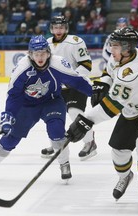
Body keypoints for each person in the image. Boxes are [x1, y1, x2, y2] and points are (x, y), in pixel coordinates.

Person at [66, 27, 138, 212]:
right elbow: (110, 72)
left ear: (127, 48)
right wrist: (103, 82)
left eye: (115, 46)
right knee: (118, 151)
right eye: (112, 45)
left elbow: (112, 106)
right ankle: (125, 176)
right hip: (134, 107)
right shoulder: (126, 55)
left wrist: (86, 119)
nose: (111, 49)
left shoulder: (132, 71)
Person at [0, 35, 93, 181]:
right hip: (27, 105)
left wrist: (97, 94)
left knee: (56, 132)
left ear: (48, 53)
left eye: (43, 53)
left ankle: (64, 163)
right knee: (10, 138)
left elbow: (77, 81)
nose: (40, 57)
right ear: (30, 54)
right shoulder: (22, 68)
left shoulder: (58, 63)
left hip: (52, 102)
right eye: (36, 54)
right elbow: (14, 95)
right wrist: (8, 117)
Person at [40, 16, 97, 161]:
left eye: (61, 27)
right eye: (55, 27)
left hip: (76, 84)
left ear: (66, 28)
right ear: (51, 29)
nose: (58, 30)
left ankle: (89, 143)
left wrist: (72, 80)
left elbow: (86, 65)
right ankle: (56, 143)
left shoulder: (75, 42)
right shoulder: (46, 43)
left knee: (75, 112)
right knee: (53, 115)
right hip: (57, 87)